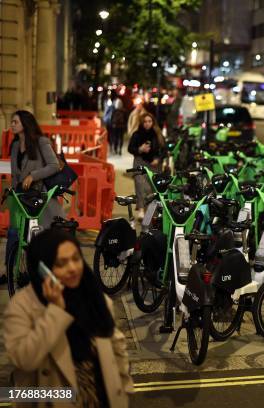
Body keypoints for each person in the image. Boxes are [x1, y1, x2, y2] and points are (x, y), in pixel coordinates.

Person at [3, 229, 134, 407]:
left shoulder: (92, 294)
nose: (72, 268)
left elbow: (115, 343)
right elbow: (25, 359)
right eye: (61, 263)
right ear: (44, 269)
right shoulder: (23, 306)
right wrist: (56, 311)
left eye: (76, 258)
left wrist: (123, 387)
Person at [4, 111, 65, 285]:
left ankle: (44, 273)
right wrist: (13, 190)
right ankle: (10, 269)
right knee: (14, 232)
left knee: (36, 237)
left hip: (38, 197)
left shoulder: (41, 142)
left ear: (25, 124)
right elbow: (15, 173)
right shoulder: (15, 145)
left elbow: (54, 165)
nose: (12, 124)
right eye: (11, 121)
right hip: (20, 196)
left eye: (15, 121)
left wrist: (33, 175)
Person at [128, 113, 165, 220]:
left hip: (154, 164)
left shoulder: (157, 135)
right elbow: (130, 148)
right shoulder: (137, 134)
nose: (147, 124)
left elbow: (164, 150)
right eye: (145, 122)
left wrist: (158, 159)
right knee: (140, 184)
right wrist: (140, 149)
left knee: (151, 189)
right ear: (141, 122)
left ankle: (150, 213)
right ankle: (141, 209)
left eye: (149, 121)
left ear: (153, 122)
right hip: (140, 163)